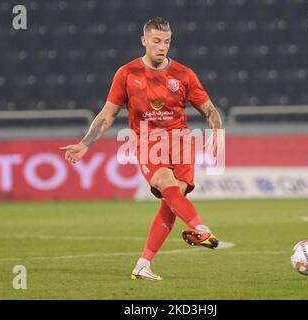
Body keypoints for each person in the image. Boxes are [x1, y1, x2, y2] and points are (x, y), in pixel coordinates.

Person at [60, 17, 223, 280]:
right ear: (144, 41)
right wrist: (85, 143)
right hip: (148, 142)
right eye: (157, 41)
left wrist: (217, 129)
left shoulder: (184, 74)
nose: (162, 47)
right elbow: (107, 114)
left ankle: (143, 265)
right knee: (164, 182)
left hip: (181, 143)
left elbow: (209, 110)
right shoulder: (127, 74)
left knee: (172, 203)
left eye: (167, 42)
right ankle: (200, 228)